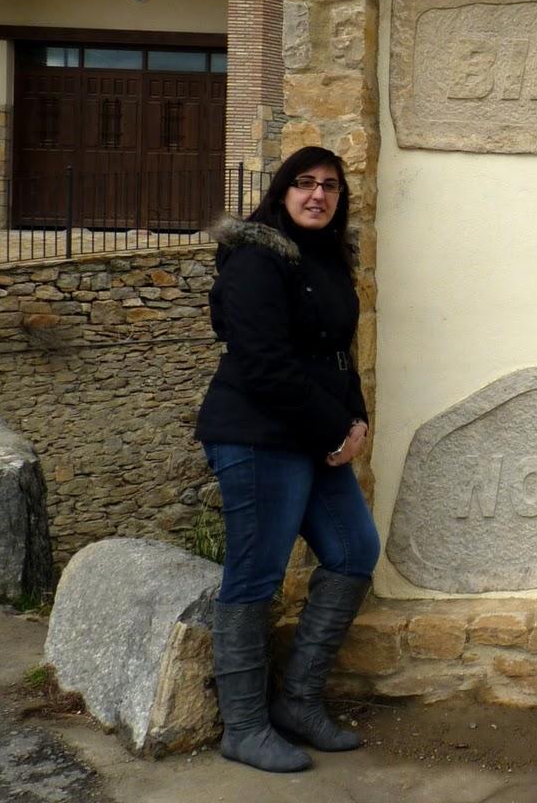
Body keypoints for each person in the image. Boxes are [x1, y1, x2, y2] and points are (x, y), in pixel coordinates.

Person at [196, 146, 379, 773]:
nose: (317, 195)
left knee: (354, 550)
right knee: (256, 573)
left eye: (330, 185)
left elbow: (338, 353)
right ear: (282, 192)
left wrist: (356, 419)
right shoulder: (255, 259)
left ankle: (298, 702)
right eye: (304, 183)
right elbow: (264, 364)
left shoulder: (327, 258)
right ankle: (245, 727)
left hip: (314, 432)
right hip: (256, 434)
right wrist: (336, 429)